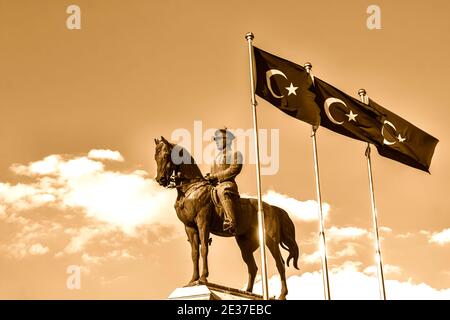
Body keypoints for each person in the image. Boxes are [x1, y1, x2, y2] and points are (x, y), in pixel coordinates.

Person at [204, 127, 243, 233]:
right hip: (214, 187)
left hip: (227, 185)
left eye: (219, 139)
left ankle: (231, 221)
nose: (216, 142)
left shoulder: (236, 154)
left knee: (223, 192)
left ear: (228, 140)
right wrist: (208, 177)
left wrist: (216, 177)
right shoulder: (214, 158)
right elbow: (213, 174)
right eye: (216, 140)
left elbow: (233, 169)